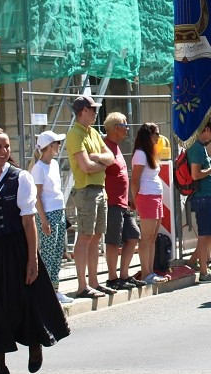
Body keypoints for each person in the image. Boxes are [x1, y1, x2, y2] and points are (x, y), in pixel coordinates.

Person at [0, 128, 70, 374]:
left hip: (15, 245)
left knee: (24, 299)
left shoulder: (21, 177)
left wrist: (32, 259)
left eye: (6, 146)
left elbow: (28, 222)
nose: (4, 151)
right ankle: (0, 366)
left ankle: (35, 342)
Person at [66, 96, 115, 298]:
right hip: (86, 190)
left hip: (99, 188)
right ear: (83, 111)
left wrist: (96, 159)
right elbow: (85, 166)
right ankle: (82, 285)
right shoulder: (74, 134)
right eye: (92, 109)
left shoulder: (93, 132)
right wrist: (101, 163)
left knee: (96, 237)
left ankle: (94, 282)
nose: (95, 113)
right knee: (85, 236)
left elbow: (111, 157)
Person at [31, 131, 71, 303]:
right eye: (56, 143)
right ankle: (46, 293)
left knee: (56, 254)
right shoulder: (38, 168)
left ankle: (55, 291)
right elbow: (37, 196)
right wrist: (44, 220)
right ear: (49, 146)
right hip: (47, 214)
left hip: (59, 211)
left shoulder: (53, 164)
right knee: (48, 254)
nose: (59, 145)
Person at [102, 113, 140, 290]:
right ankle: (112, 278)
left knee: (133, 235)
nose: (127, 129)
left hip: (123, 202)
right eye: (125, 126)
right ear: (116, 128)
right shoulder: (104, 147)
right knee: (113, 241)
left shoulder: (116, 147)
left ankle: (124, 275)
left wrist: (130, 197)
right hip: (111, 202)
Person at [187, 116, 211, 282]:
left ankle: (192, 261)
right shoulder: (196, 148)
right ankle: (203, 272)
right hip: (203, 197)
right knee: (205, 235)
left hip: (209, 196)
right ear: (207, 130)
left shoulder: (201, 148)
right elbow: (195, 174)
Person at [131, 123, 168, 285]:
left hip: (155, 196)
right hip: (146, 197)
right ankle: (146, 273)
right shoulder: (140, 154)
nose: (159, 137)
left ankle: (150, 271)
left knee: (152, 236)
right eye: (157, 134)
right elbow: (135, 179)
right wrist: (135, 199)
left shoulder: (149, 153)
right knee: (146, 237)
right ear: (149, 135)